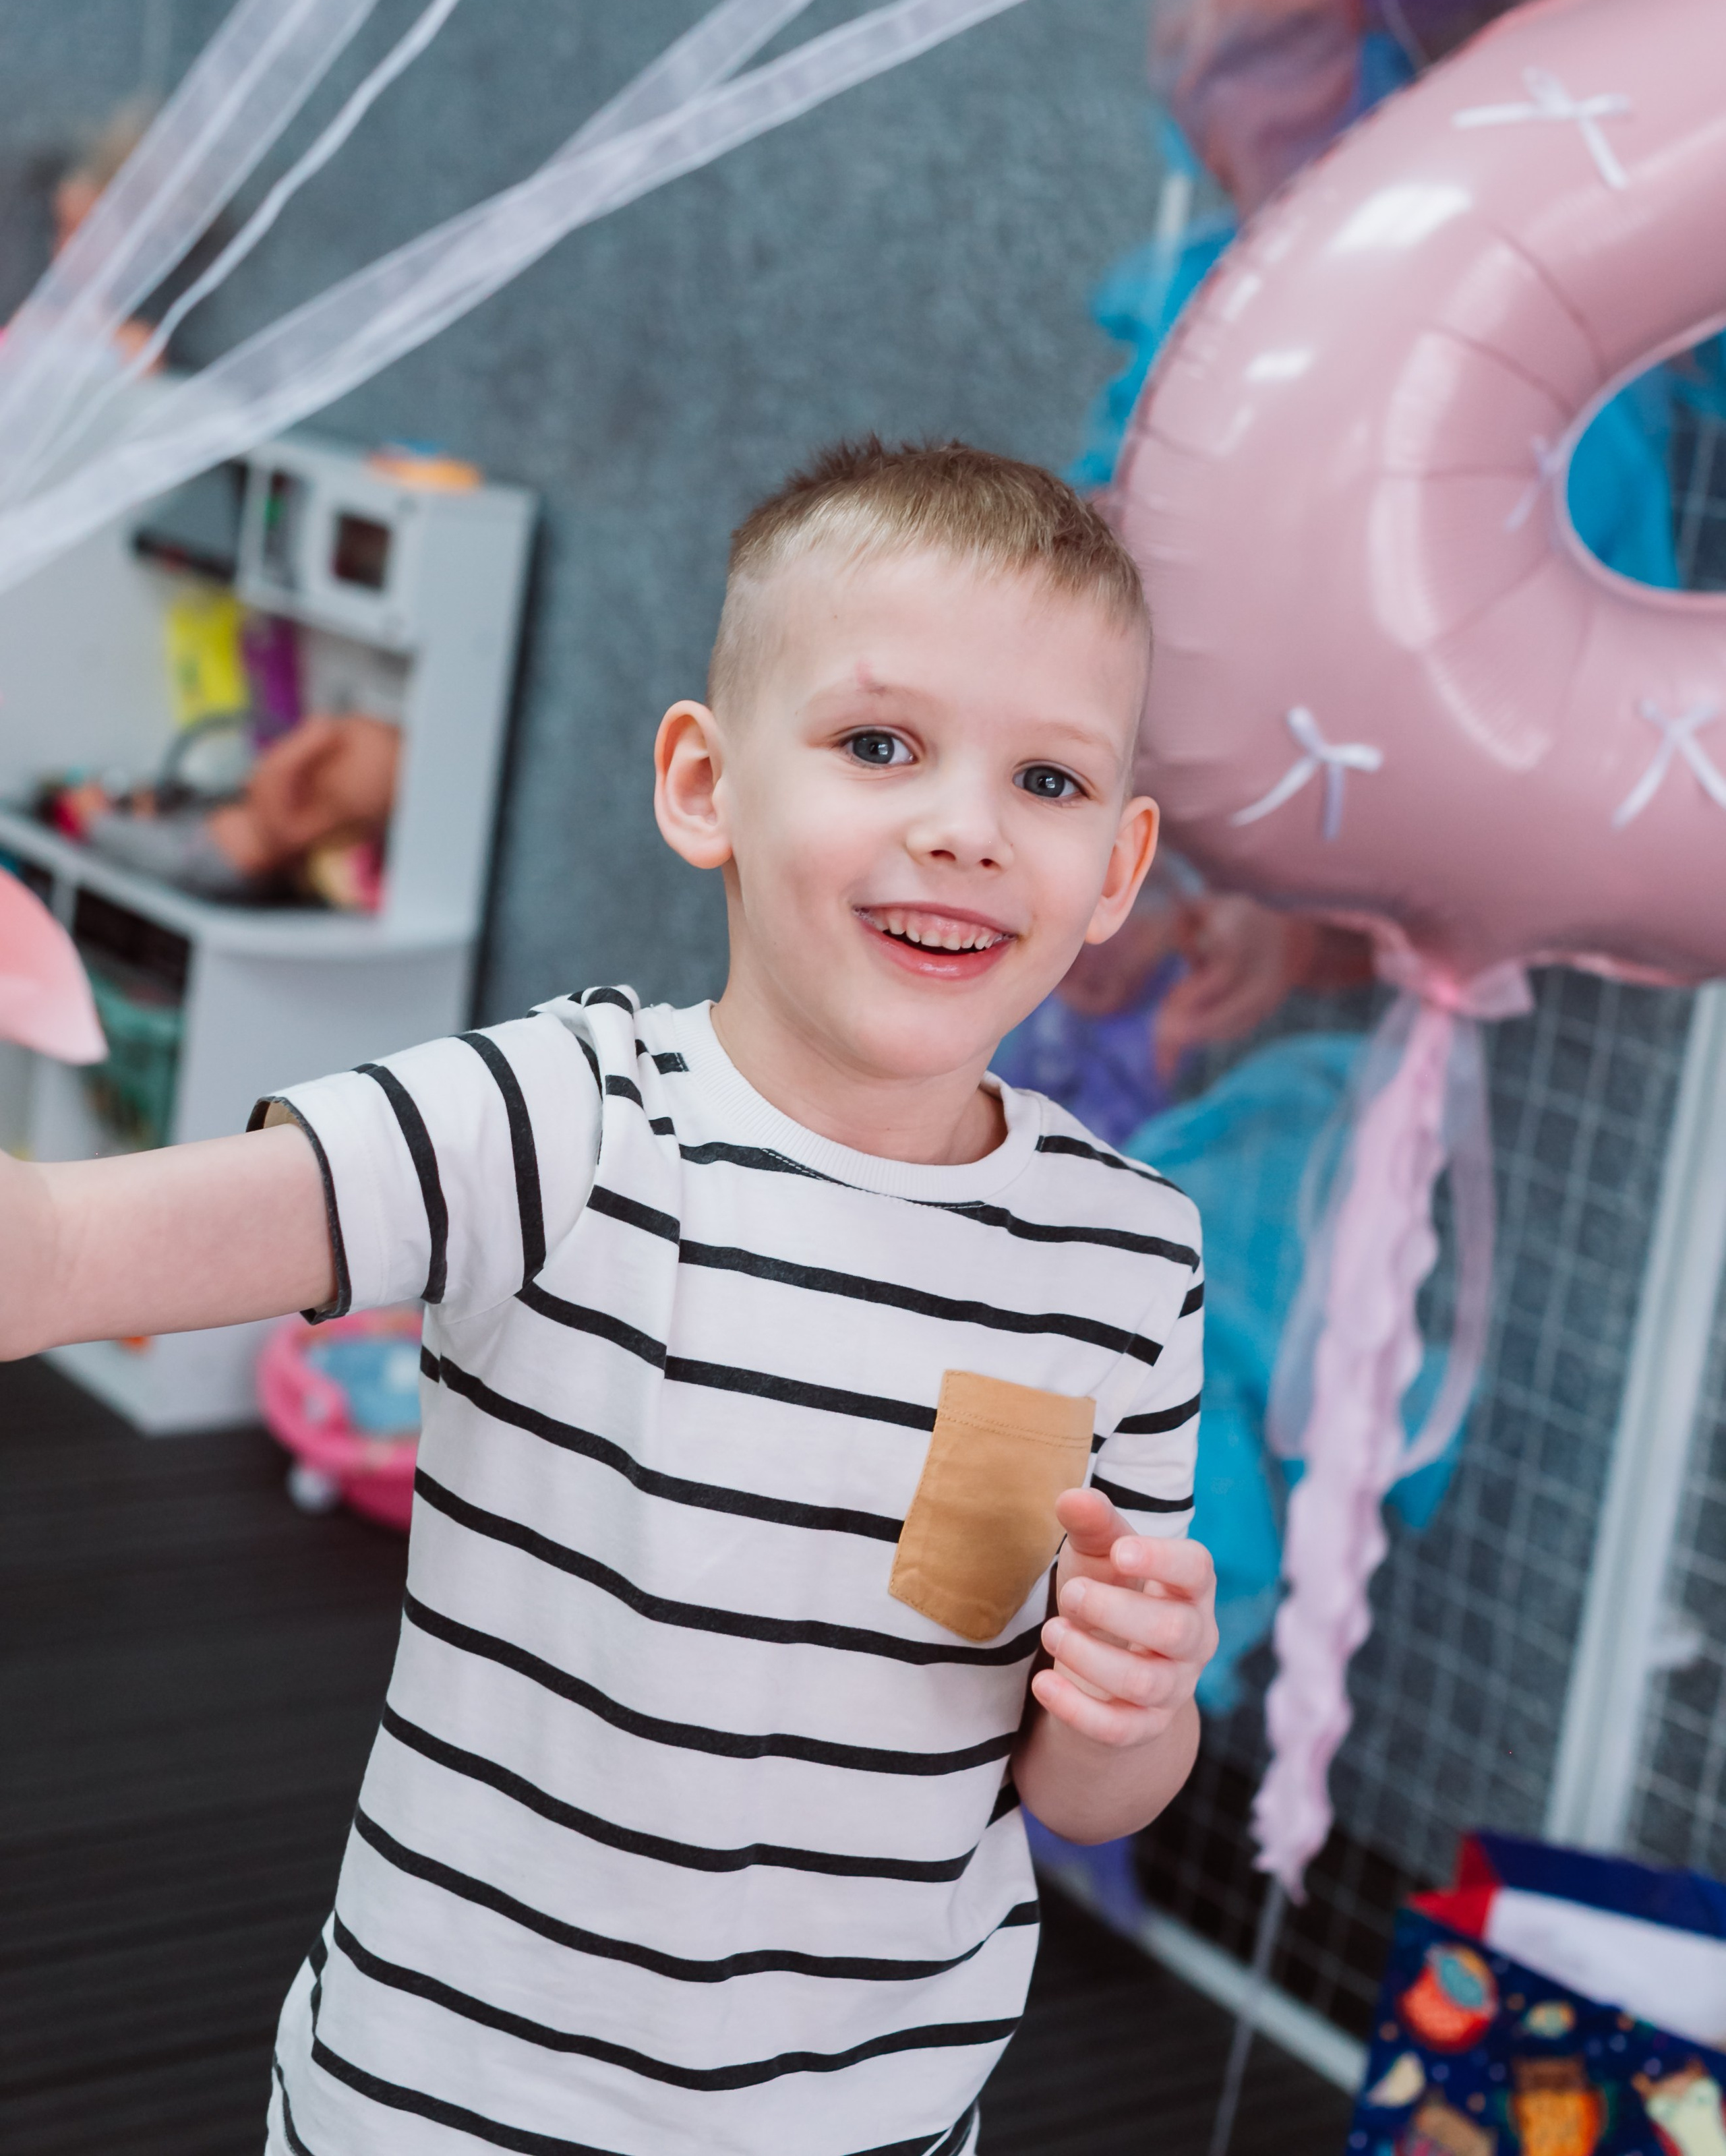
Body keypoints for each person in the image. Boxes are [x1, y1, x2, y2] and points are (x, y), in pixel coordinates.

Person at [1, 438, 1216, 2156]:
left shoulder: (1127, 1255)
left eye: (1048, 781)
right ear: (704, 784)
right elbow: (60, 1253)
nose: (963, 829)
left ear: (1117, 865)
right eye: (880, 744)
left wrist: (1138, 1708)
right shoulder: (556, 1122)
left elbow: (1080, 1785)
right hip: (440, 2112)